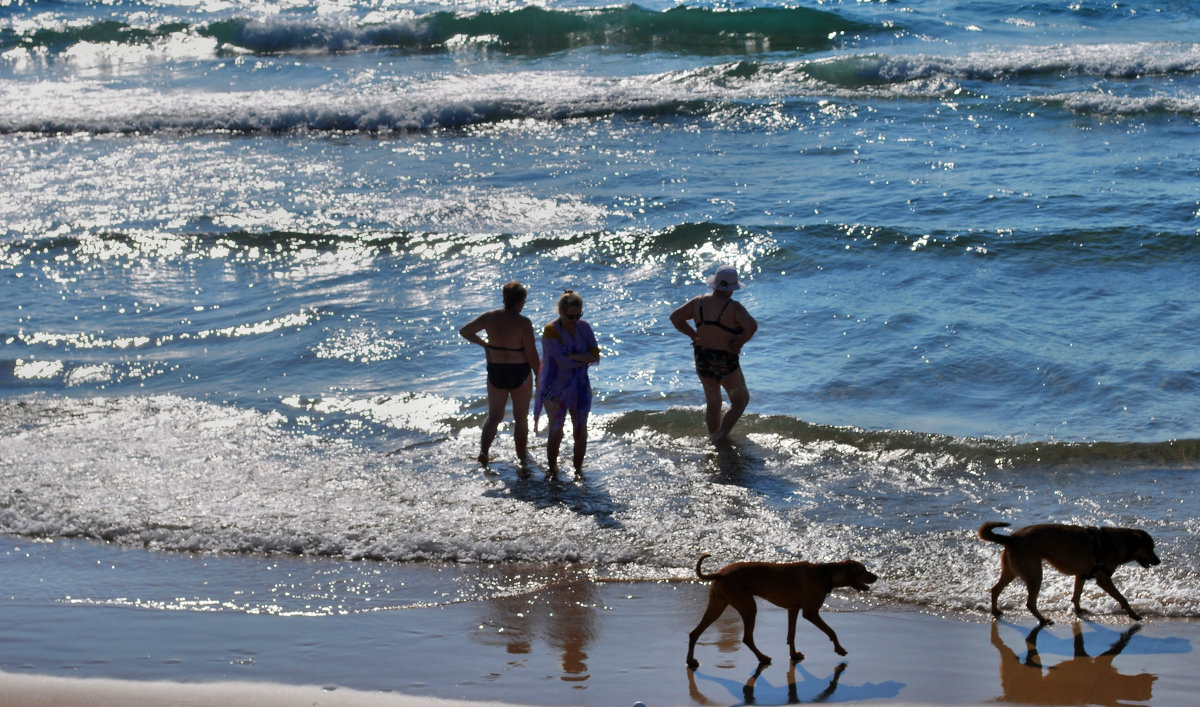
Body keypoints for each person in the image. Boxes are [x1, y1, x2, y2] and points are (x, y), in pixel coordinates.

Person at [669, 264, 758, 442]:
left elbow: (675, 318)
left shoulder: (698, 302)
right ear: (732, 289)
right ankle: (720, 435)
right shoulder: (734, 308)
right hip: (724, 359)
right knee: (740, 401)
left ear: (715, 285)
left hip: (702, 356)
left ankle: (714, 438)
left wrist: (693, 334)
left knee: (713, 402)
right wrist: (740, 342)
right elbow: (752, 326)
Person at [459, 281, 541, 465]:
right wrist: (539, 376)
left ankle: (484, 452)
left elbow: (465, 331)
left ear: (504, 299)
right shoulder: (523, 322)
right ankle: (521, 456)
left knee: (494, 416)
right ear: (520, 301)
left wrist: (485, 345)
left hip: (496, 371)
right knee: (521, 418)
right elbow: (532, 355)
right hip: (519, 372)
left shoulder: (489, 317)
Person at [534, 290, 600, 476]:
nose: (575, 320)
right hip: (554, 387)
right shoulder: (551, 331)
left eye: (579, 315)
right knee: (556, 429)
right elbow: (560, 362)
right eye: (571, 316)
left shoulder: (584, 328)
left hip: (580, 385)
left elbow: (595, 357)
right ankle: (552, 469)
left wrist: (573, 356)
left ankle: (578, 470)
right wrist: (582, 358)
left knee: (580, 429)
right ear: (561, 313)